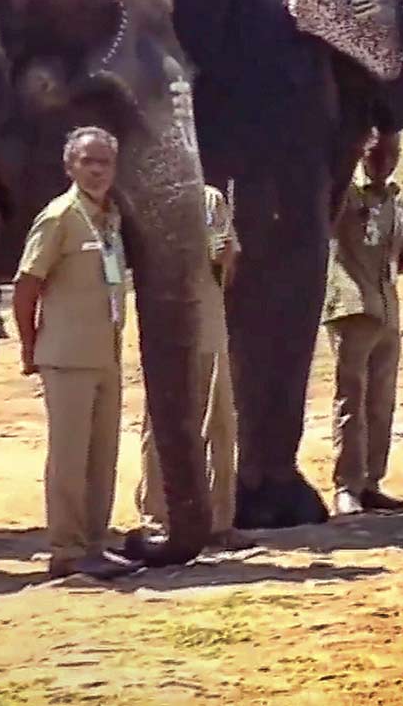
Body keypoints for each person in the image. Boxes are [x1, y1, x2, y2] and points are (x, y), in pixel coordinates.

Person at [13, 127, 139, 580]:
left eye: (105, 162)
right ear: (70, 166)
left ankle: (95, 544)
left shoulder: (111, 217)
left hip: (105, 354)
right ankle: (66, 550)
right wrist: (30, 345)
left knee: (102, 455)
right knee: (69, 458)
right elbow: (27, 286)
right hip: (66, 356)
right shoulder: (59, 217)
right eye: (89, 161)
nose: (98, 170)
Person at [323, 130, 403, 516]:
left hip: (388, 310)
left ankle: (372, 481)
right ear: (362, 153)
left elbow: (398, 263)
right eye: (376, 152)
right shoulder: (345, 196)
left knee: (381, 402)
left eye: (392, 152)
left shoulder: (398, 204)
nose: (385, 159)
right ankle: (346, 485)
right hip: (353, 308)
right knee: (351, 400)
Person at [135, 183, 252, 549]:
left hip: (209, 322)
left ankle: (219, 521)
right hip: (166, 326)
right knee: (162, 422)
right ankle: (157, 516)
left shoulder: (210, 199)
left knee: (220, 423)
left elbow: (226, 275)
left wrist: (226, 257)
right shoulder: (151, 197)